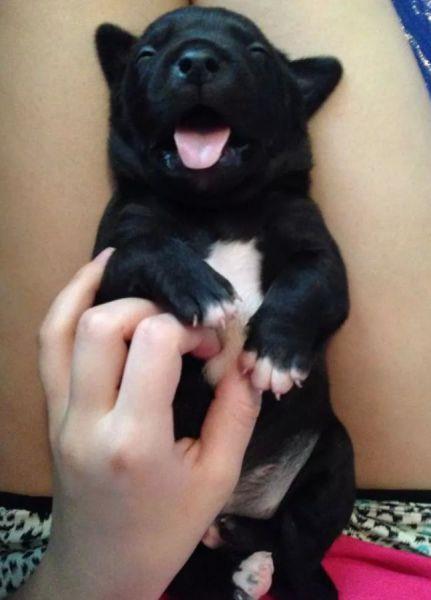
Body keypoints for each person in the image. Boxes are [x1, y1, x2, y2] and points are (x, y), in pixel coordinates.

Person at [1, 1, 430, 598]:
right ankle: (213, 567)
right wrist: (164, 268)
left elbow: (322, 280)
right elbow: (123, 267)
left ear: (297, 96)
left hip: (289, 464)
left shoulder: (289, 211)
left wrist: (287, 327)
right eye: (148, 59)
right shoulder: (139, 216)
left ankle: (297, 570)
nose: (197, 60)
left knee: (332, 467)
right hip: (146, 484)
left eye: (251, 55)